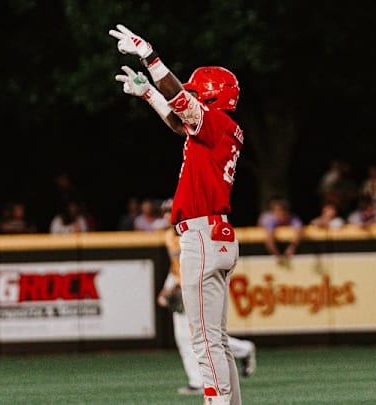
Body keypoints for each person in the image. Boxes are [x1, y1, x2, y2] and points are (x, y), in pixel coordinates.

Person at [111, 24, 244, 404]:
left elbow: (180, 101)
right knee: (217, 340)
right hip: (217, 233)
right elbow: (177, 120)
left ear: (210, 96)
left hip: (201, 236)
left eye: (196, 92)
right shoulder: (224, 128)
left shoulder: (214, 122)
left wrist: (149, 56)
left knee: (203, 342)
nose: (189, 95)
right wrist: (149, 93)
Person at [157, 202, 256, 396]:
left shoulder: (191, 231)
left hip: (194, 283)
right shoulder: (169, 236)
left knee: (205, 335)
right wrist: (167, 287)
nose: (168, 215)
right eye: (165, 212)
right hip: (181, 284)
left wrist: (183, 286)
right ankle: (197, 381)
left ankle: (243, 349)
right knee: (185, 336)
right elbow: (175, 265)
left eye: (170, 211)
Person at [259, 197, 304, 266]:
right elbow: (269, 239)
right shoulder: (270, 219)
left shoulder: (293, 218)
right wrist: (277, 255)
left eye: (283, 214)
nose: (281, 216)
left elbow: (299, 231)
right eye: (278, 213)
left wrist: (292, 247)